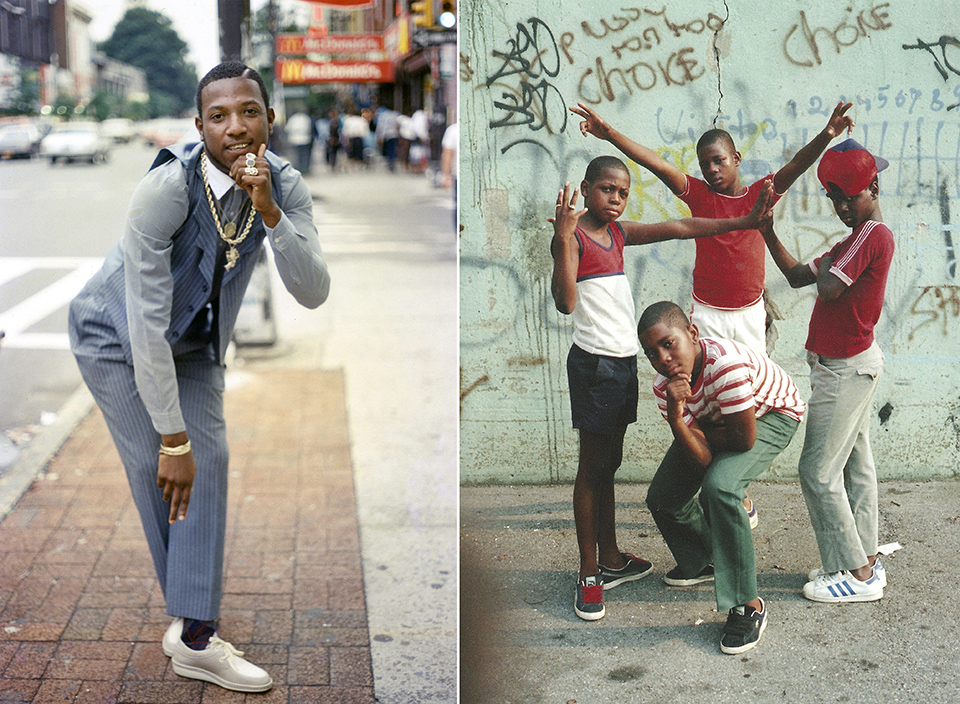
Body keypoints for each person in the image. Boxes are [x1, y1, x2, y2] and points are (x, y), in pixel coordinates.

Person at [68, 62, 330, 692]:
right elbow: (145, 324)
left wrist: (270, 209)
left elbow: (313, 291)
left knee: (206, 464)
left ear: (271, 117)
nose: (236, 127)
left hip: (196, 343)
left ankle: (191, 625)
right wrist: (171, 438)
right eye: (219, 116)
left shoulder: (285, 185)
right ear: (199, 126)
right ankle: (196, 635)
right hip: (115, 336)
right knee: (164, 470)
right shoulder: (166, 191)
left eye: (249, 111)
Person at [571, 100, 854, 526]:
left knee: (747, 404)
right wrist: (609, 133)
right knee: (706, 402)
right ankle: (710, 481)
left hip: (748, 314)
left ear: (735, 159)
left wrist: (827, 135)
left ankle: (737, 487)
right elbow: (653, 163)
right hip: (707, 314)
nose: (712, 170)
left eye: (718, 161)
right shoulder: (699, 194)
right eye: (705, 164)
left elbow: (797, 164)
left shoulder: (761, 192)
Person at [549, 156, 774, 621]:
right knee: (592, 469)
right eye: (607, 189)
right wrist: (562, 240)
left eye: (623, 192)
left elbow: (678, 225)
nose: (615, 198)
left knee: (608, 463)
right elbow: (566, 302)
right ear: (587, 189)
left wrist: (745, 221)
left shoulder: (616, 234)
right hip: (593, 367)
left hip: (620, 366)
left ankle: (610, 558)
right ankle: (589, 574)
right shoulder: (573, 239)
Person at [758, 139, 892, 604]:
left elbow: (831, 288)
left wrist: (831, 264)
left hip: (846, 371)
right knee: (855, 465)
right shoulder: (850, 240)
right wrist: (766, 230)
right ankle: (866, 561)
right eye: (834, 198)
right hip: (844, 368)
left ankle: (853, 575)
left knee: (816, 472)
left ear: (873, 187)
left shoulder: (872, 235)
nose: (840, 207)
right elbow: (799, 276)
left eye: (849, 197)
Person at [637, 301, 805, 654]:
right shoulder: (664, 387)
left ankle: (748, 604)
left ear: (692, 334)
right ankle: (705, 559)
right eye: (653, 353)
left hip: (771, 414)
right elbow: (701, 459)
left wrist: (701, 430)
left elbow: (743, 440)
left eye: (669, 344)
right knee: (664, 498)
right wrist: (675, 417)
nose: (664, 359)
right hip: (724, 423)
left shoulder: (724, 364)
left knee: (722, 488)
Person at [285, 109, 314, 175]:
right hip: (305, 139)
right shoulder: (306, 118)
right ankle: (305, 168)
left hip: (295, 139)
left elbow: (287, 129)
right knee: (305, 155)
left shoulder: (292, 118)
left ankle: (299, 168)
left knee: (297, 155)